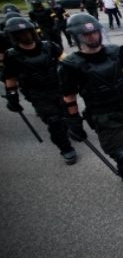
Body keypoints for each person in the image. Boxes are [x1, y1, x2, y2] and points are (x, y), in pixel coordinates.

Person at [58, 13, 123, 216]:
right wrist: (73, 120)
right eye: (86, 34)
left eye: (94, 32)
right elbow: (68, 96)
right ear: (77, 37)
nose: (92, 37)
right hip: (102, 116)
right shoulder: (71, 64)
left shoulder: (116, 52)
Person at [3, 17, 77, 164]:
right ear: (14, 36)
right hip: (38, 94)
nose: (25, 35)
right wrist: (12, 96)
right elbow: (10, 78)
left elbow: (67, 61)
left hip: (59, 88)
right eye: (20, 33)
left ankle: (71, 129)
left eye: (27, 32)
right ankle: (65, 148)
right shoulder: (11, 55)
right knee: (54, 121)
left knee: (68, 114)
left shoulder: (49, 46)